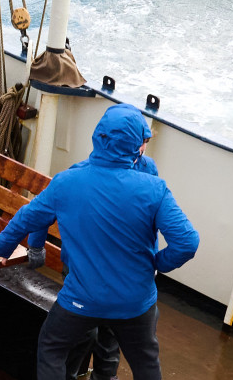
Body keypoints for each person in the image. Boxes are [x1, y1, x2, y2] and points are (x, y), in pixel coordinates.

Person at [0, 103, 199, 380]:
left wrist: (0, 248)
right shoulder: (155, 188)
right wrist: (156, 264)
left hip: (82, 298)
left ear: (98, 137)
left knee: (52, 348)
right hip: (134, 302)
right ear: (138, 146)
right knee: (146, 364)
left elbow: (30, 216)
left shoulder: (67, 181)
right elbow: (187, 242)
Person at [57, 126, 160, 379]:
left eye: (144, 142)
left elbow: (150, 221)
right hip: (85, 265)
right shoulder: (81, 172)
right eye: (139, 141)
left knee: (111, 337)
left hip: (121, 270)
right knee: (82, 332)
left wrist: (153, 261)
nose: (141, 148)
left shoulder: (148, 169)